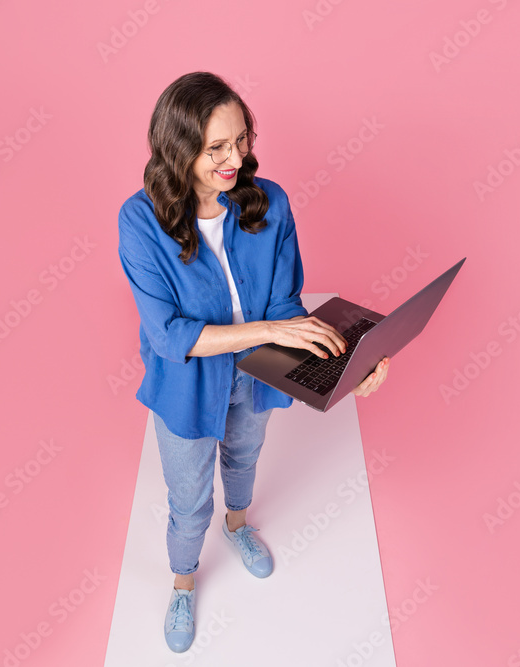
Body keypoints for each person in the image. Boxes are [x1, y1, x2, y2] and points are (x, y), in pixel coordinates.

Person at [117, 71, 390, 653]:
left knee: (243, 460)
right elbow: (169, 336)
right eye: (215, 148)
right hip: (186, 388)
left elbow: (287, 306)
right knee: (188, 498)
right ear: (178, 148)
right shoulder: (139, 222)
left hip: (257, 374)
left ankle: (238, 526)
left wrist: (351, 367)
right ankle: (184, 581)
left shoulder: (272, 202)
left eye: (241, 139)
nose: (235, 158)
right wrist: (267, 329)